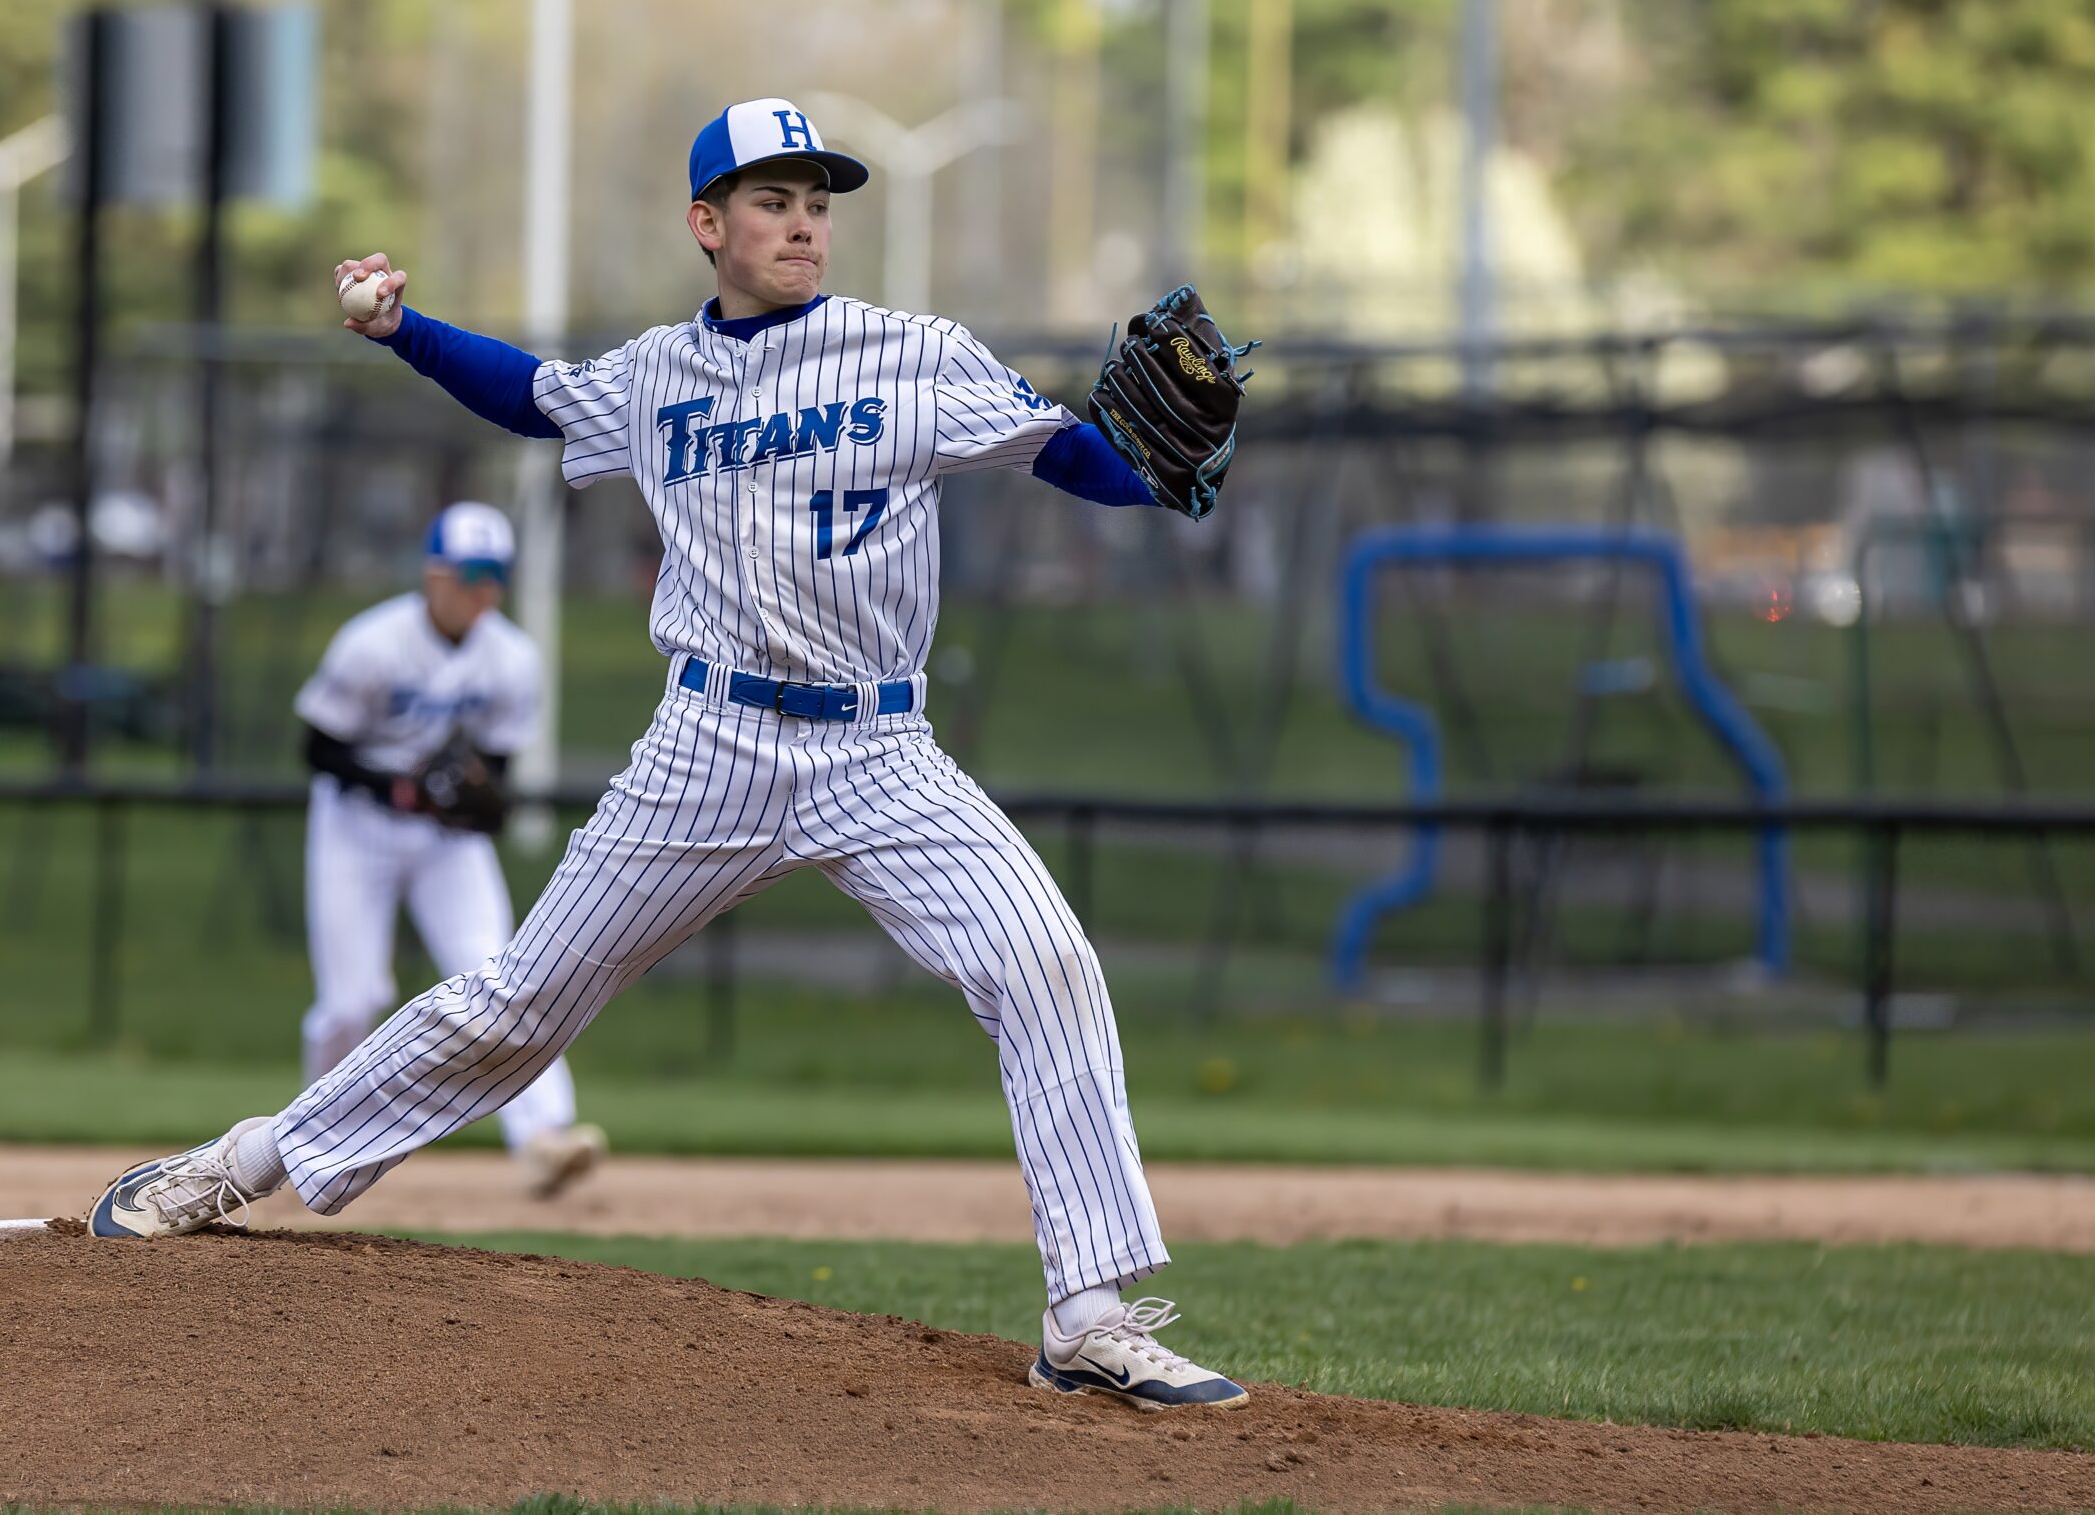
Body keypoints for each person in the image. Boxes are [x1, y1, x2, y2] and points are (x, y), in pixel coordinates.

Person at [89, 98, 1248, 1411]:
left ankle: (1088, 1315)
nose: (803, 223)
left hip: (881, 749)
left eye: (816, 202)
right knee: (517, 1006)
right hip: (709, 744)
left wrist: (1151, 473)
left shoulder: (913, 353)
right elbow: (532, 396)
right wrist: (402, 331)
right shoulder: (656, 376)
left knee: (1046, 963)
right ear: (708, 223)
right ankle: (242, 1163)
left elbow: (1070, 453)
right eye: (772, 200)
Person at [292, 501, 606, 1199]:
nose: (483, 590)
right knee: (352, 999)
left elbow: (496, 764)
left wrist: (475, 792)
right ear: (433, 576)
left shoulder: (512, 658)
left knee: (502, 975)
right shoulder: (373, 643)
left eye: (495, 575)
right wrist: (398, 787)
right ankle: (308, 1134)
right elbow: (318, 748)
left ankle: (545, 1136)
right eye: (470, 574)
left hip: (442, 838)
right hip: (355, 826)